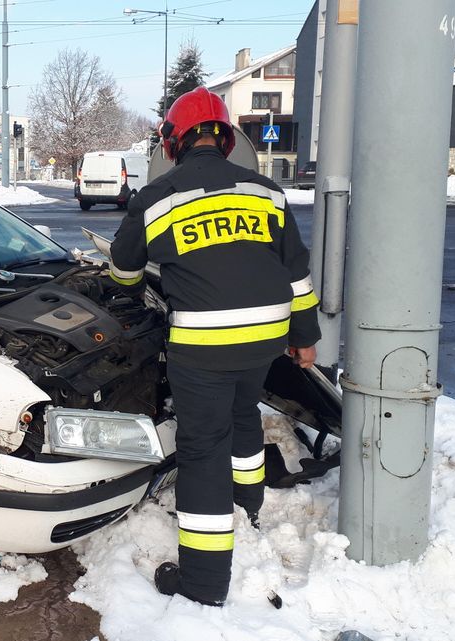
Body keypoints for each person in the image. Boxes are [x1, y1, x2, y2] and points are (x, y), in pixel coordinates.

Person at [109, 87, 320, 608]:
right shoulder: (266, 192)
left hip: (203, 345)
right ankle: (246, 500)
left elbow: (123, 271)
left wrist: (131, 295)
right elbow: (297, 273)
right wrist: (304, 339)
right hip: (265, 339)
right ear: (225, 139)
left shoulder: (156, 198)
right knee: (242, 410)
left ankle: (204, 583)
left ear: (173, 143)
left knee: (203, 449)